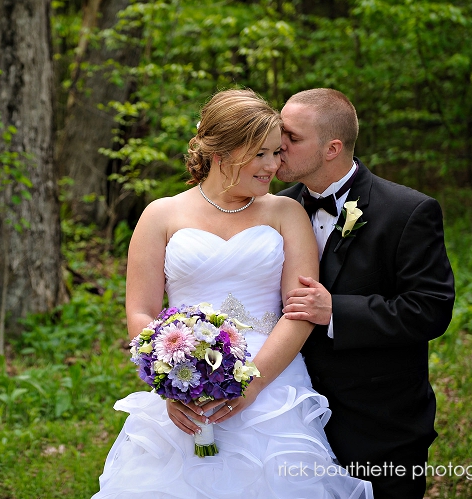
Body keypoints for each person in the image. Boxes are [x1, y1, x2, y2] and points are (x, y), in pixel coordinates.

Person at [93, 90, 372, 498]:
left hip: (272, 382)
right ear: (222, 151)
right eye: (261, 154)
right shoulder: (160, 215)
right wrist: (170, 382)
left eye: (277, 153)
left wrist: (253, 384)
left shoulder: (286, 213)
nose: (274, 166)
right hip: (185, 381)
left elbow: (299, 311)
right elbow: (141, 312)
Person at [276, 88, 455, 499]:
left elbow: (430, 309)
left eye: (292, 136)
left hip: (380, 423)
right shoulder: (275, 209)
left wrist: (335, 310)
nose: (278, 144)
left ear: (332, 148)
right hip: (291, 420)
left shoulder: (407, 211)